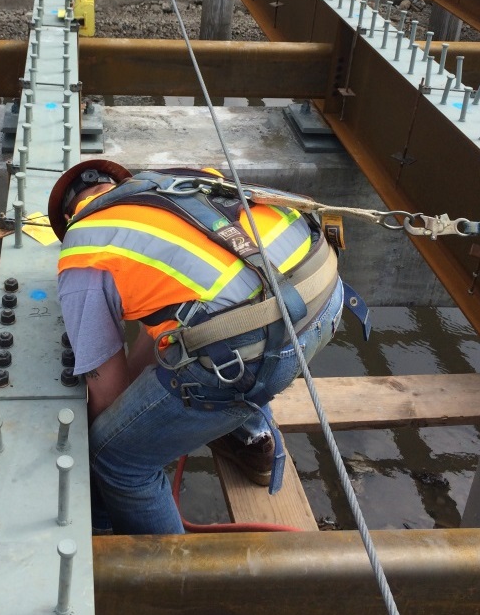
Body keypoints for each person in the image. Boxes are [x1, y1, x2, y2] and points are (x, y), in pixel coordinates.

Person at [49, 159, 346, 535]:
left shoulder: (84, 249)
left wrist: (117, 430)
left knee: (118, 458)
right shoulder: (183, 180)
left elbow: (106, 397)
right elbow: (165, 323)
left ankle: (175, 579)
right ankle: (255, 442)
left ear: (69, 219)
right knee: (223, 312)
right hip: (324, 295)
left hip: (253, 350)